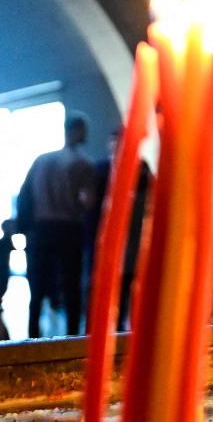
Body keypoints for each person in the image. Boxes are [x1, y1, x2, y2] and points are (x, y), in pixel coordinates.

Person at [18, 112, 94, 337]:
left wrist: (25, 227)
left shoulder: (42, 160)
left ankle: (31, 334)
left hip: (41, 229)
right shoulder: (83, 163)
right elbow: (87, 200)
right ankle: (72, 336)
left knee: (37, 285)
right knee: (71, 285)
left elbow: (26, 194)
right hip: (68, 229)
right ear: (78, 131)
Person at [86, 129, 152, 331]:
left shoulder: (142, 169)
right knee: (100, 289)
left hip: (133, 239)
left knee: (128, 286)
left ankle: (124, 329)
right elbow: (92, 204)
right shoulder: (101, 169)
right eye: (114, 143)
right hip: (105, 239)